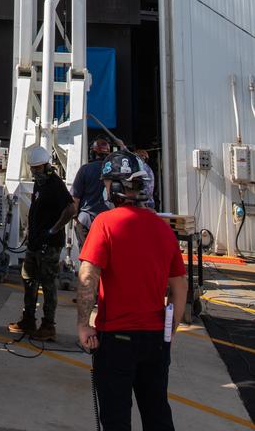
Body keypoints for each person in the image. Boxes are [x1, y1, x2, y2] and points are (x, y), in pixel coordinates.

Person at [77, 150, 187, 430]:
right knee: (157, 413)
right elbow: (179, 286)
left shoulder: (105, 223)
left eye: (106, 183)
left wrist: (83, 324)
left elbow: (88, 275)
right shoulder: (164, 231)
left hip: (117, 339)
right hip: (155, 341)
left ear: (116, 187)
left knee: (115, 418)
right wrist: (170, 330)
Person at [9, 145, 73, 341]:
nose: (35, 172)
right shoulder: (40, 183)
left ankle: (48, 326)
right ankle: (28, 320)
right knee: (29, 280)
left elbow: (71, 209)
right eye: (33, 168)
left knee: (47, 284)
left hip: (49, 245)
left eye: (38, 168)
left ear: (46, 166)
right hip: (35, 243)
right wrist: (30, 230)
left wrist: (53, 230)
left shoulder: (55, 184)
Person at [71, 136, 113, 248]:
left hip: (86, 221)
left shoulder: (85, 169)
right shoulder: (114, 171)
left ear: (93, 153)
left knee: (87, 259)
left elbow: (75, 198)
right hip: (107, 223)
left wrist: (75, 217)